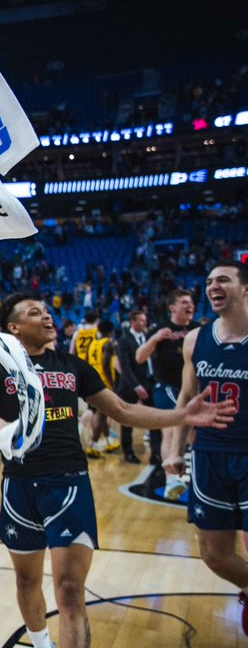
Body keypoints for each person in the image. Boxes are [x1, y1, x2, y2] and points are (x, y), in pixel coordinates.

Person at [0, 292, 232, 648]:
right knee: (26, 583)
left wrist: (182, 415)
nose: (48, 317)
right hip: (19, 486)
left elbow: (123, 409)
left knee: (71, 590)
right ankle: (43, 643)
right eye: (35, 313)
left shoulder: (72, 365)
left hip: (69, 484)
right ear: (13, 327)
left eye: (47, 311)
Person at [164, 261, 248, 637]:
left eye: (223, 280)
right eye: (209, 281)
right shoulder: (196, 339)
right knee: (214, 554)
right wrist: (175, 449)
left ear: (244, 289)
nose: (213, 286)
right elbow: (186, 398)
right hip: (209, 455)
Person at [139, 289, 199, 486]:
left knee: (192, 429)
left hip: (194, 387)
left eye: (190, 303)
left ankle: (196, 471)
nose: (189, 306)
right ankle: (172, 479)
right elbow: (139, 357)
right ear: (172, 307)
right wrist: (155, 339)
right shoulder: (161, 329)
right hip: (167, 387)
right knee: (174, 430)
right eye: (184, 303)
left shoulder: (199, 329)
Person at [115, 309, 154, 463]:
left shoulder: (148, 337)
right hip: (131, 385)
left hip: (149, 382)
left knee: (154, 418)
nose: (144, 323)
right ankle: (128, 452)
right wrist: (137, 386)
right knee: (128, 420)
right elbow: (125, 367)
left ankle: (156, 452)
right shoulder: (124, 341)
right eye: (141, 320)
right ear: (133, 321)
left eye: (145, 320)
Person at [83, 319, 117, 458]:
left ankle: (108, 441)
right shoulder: (108, 344)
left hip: (91, 380)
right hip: (104, 383)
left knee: (101, 413)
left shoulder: (92, 344)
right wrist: (111, 383)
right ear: (111, 331)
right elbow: (105, 364)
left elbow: (85, 362)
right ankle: (93, 445)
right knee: (101, 415)